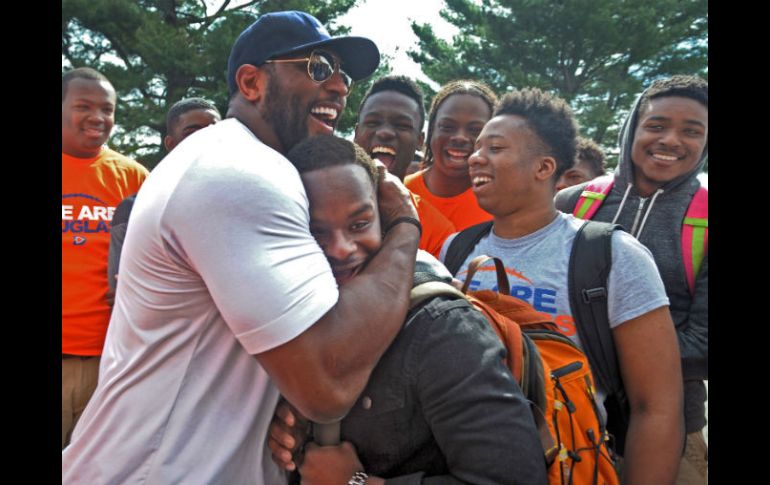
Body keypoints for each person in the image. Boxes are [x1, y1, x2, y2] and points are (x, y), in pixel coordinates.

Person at [62, 11, 422, 484]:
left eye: (344, 75)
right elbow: (326, 384)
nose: (338, 87)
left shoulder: (239, 162)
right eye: (317, 67)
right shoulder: (237, 174)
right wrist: (405, 228)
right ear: (251, 83)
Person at [269, 134, 547, 485]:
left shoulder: (441, 330)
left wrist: (356, 482)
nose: (340, 249)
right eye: (315, 231)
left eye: (358, 224)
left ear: (383, 221)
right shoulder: (288, 315)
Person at [441, 87, 685, 484]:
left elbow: (655, 406)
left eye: (495, 148)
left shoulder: (612, 255)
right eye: (477, 147)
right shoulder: (457, 248)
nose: (475, 157)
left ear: (543, 168)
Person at [555, 75, 708, 484]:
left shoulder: (706, 219)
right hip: (563, 416)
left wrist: (596, 352)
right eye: (657, 126)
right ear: (632, 130)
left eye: (691, 131)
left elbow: (704, 344)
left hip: (672, 424)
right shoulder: (574, 201)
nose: (672, 140)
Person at [61, 67, 150, 448]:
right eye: (84, 106)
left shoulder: (134, 178)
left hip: (111, 360)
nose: (98, 117)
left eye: (107, 109)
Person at [106, 97, 222, 296]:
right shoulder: (135, 208)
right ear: (170, 143)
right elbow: (118, 291)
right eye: (193, 133)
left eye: (214, 131)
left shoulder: (243, 201)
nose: (207, 139)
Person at [354, 74, 455, 258]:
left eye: (401, 126)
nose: (384, 132)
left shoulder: (438, 231)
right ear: (356, 132)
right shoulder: (316, 199)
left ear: (420, 141)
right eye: (373, 122)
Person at [405, 80, 497, 231]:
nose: (460, 137)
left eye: (475, 130)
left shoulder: (500, 207)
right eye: (447, 127)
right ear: (432, 130)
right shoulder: (401, 192)